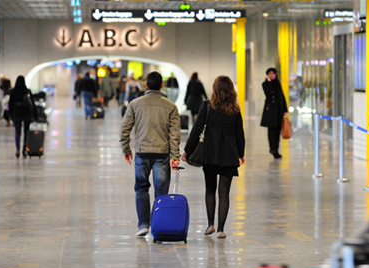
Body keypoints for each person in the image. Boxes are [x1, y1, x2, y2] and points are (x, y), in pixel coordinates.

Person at [181, 76, 245, 239]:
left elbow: (196, 130)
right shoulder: (235, 108)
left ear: (215, 89)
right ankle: (221, 229)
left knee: (210, 189)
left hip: (210, 153)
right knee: (224, 192)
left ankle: (210, 224)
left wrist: (186, 151)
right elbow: (240, 134)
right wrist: (241, 154)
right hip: (229, 155)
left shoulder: (207, 106)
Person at [119, 71, 181, 237]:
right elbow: (175, 134)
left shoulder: (135, 104)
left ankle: (143, 225)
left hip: (142, 153)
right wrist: (175, 156)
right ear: (162, 85)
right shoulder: (171, 106)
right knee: (161, 193)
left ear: (146, 85)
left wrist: (126, 149)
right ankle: (157, 225)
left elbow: (124, 128)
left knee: (141, 188)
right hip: (162, 154)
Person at [260, 68, 287, 159]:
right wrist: (269, 82)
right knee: (272, 132)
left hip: (279, 111)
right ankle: (273, 149)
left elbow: (282, 97)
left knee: (278, 132)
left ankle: (276, 149)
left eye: (273, 73)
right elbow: (268, 93)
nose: (272, 75)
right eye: (270, 73)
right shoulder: (265, 84)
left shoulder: (278, 84)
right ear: (267, 75)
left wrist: (285, 110)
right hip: (271, 112)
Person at [8, 75, 37, 158]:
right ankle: (24, 149)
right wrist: (34, 115)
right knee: (26, 132)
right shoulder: (27, 91)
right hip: (27, 114)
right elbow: (32, 104)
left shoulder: (13, 91)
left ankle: (17, 148)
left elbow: (10, 104)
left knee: (17, 132)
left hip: (17, 114)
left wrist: (11, 115)